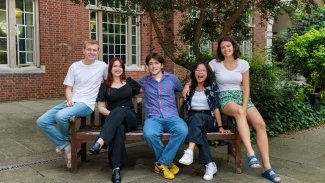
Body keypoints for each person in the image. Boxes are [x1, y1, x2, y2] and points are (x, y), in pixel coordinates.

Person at [36, 39, 108, 169]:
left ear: (98, 52)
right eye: (89, 49)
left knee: (60, 116)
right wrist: (69, 100)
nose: (91, 52)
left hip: (86, 104)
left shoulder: (102, 66)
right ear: (83, 50)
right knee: (42, 121)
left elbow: (110, 81)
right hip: (72, 101)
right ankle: (67, 145)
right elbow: (68, 88)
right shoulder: (75, 66)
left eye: (94, 50)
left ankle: (67, 144)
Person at [89, 57, 141, 183]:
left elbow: (146, 88)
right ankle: (116, 168)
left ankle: (100, 142)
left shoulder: (129, 83)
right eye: (114, 66)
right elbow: (101, 108)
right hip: (114, 121)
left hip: (130, 118)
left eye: (120, 66)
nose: (117, 68)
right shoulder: (105, 86)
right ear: (110, 69)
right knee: (119, 128)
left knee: (120, 110)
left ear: (123, 69)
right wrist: (114, 115)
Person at [139, 52, 188, 180]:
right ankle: (167, 163)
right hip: (153, 117)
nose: (153, 66)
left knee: (182, 130)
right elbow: (128, 87)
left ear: (162, 65)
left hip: (171, 116)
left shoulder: (172, 79)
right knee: (149, 134)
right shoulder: (144, 82)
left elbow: (182, 91)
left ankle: (161, 164)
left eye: (156, 63)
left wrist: (188, 85)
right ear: (147, 67)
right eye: (150, 64)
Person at [178, 62, 230, 181]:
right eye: (198, 70)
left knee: (197, 119)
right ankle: (210, 165)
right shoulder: (190, 87)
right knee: (198, 128)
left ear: (207, 73)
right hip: (192, 118)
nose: (200, 73)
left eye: (203, 71)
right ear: (194, 73)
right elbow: (182, 102)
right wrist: (187, 84)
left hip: (208, 118)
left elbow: (216, 107)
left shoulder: (212, 86)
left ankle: (190, 151)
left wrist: (220, 126)